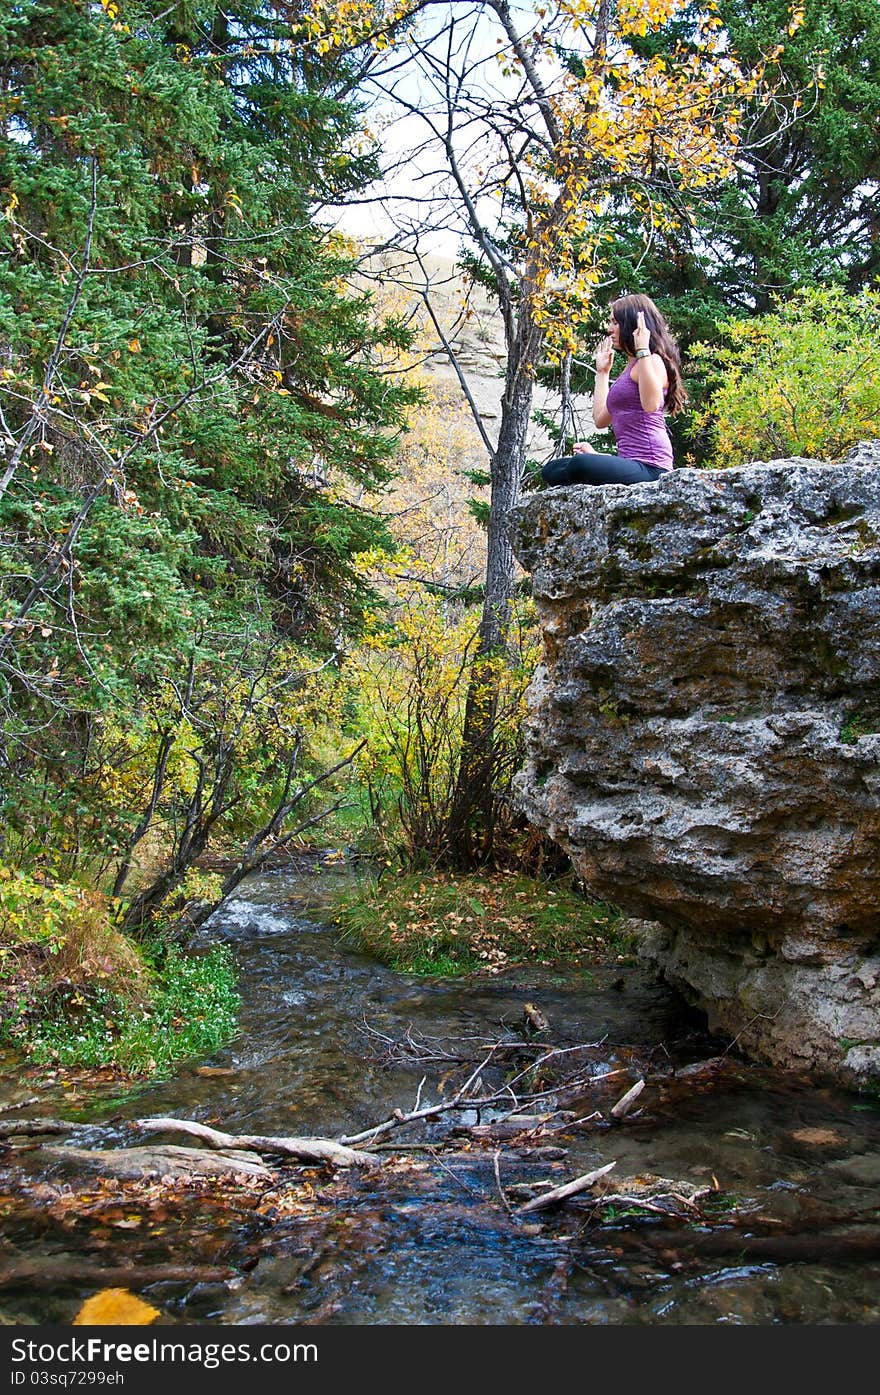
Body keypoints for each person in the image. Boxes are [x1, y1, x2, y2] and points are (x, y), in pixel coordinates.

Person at [541, 293, 687, 487]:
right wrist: (602, 373)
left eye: (615, 323)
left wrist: (642, 349)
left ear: (632, 325)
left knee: (580, 464)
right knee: (551, 469)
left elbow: (651, 405)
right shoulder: (629, 369)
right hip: (630, 463)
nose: (610, 330)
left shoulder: (652, 361)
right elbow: (601, 419)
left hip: (652, 467)